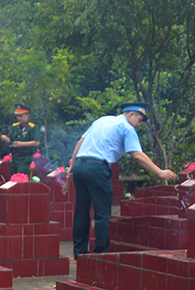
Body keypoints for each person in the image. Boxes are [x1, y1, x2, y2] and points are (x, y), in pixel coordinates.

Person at [67, 102, 177, 258]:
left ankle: (79, 254)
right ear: (131, 114)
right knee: (102, 213)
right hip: (97, 168)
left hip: (79, 166)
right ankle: (100, 254)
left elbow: (80, 143)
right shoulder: (126, 128)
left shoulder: (102, 120)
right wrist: (159, 172)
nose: (138, 124)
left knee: (82, 211)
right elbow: (137, 155)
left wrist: (71, 167)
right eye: (139, 119)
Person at [0, 104, 40, 175]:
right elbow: (10, 140)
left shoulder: (32, 127)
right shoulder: (15, 127)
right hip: (15, 157)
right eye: (17, 116)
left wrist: (21, 144)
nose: (19, 118)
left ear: (27, 115)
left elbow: (36, 142)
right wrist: (5, 138)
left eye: (21, 116)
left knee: (20, 177)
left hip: (25, 158)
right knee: (13, 177)